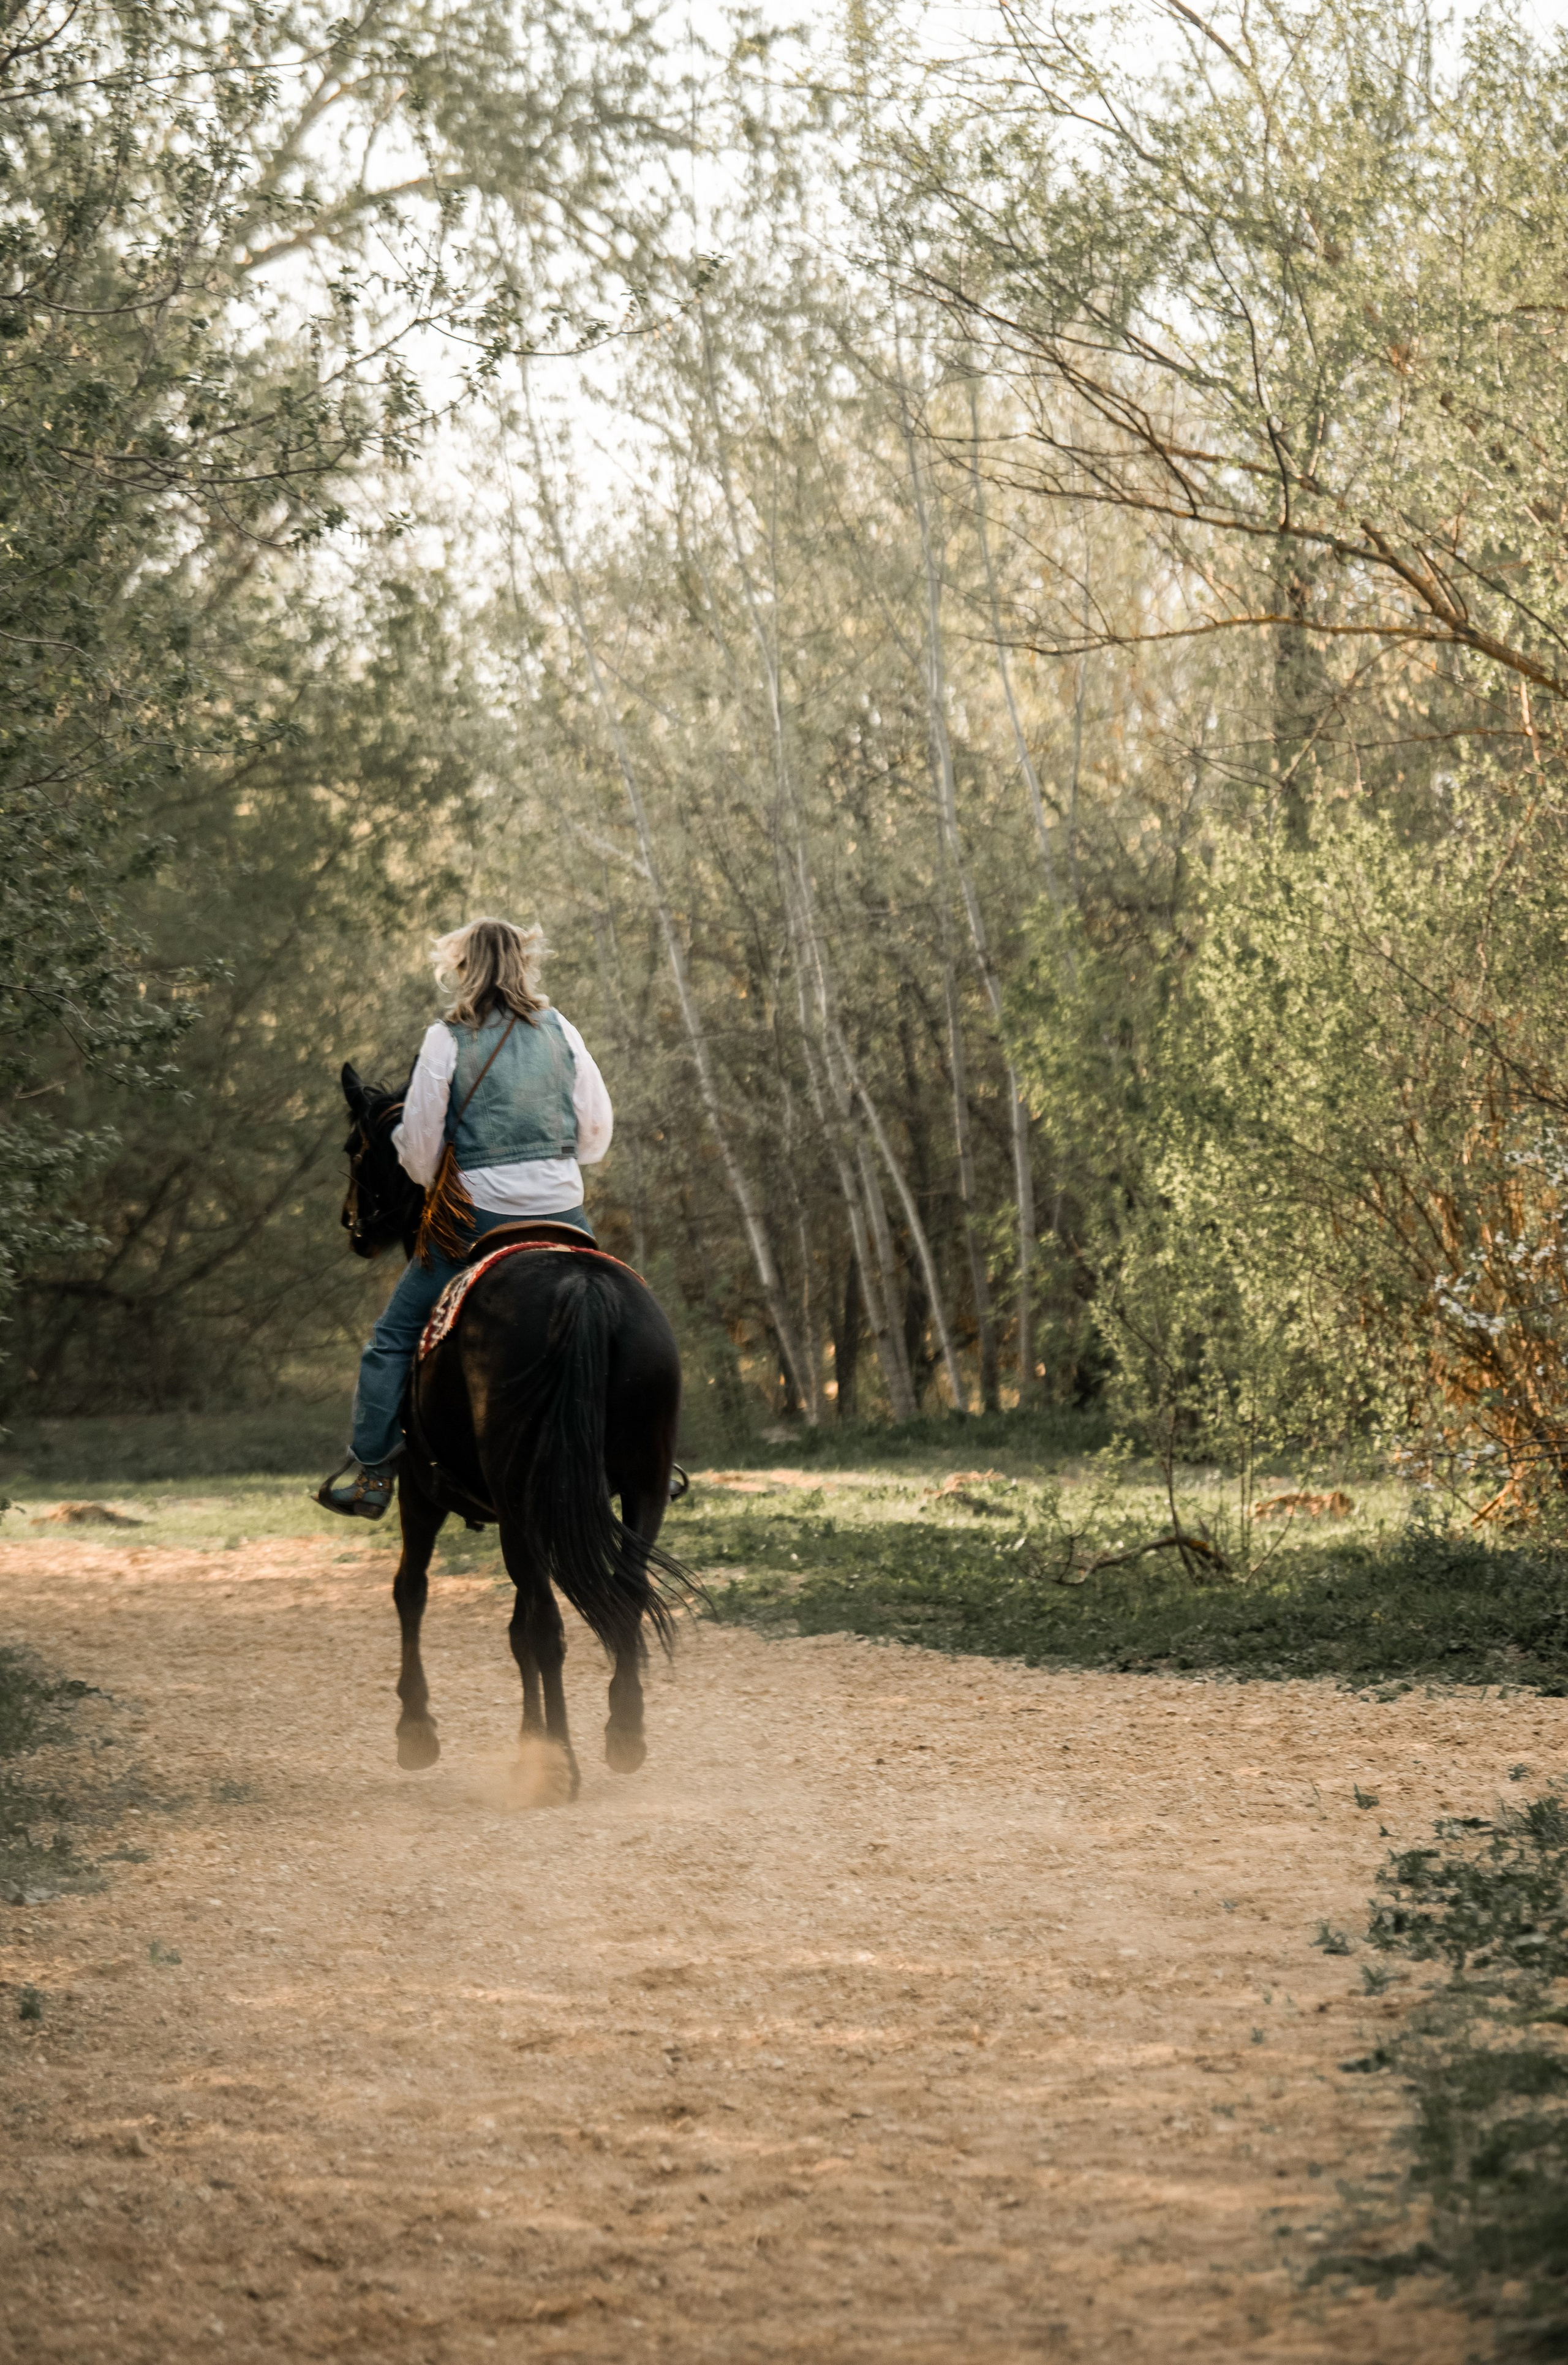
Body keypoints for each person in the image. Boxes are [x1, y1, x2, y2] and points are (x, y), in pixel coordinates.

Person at [317, 916, 612, 1519]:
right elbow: (595, 1137)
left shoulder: (447, 1039)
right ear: (523, 964)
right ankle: (645, 1460)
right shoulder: (564, 1032)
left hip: (479, 1222)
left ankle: (373, 1475)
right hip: (564, 1215)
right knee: (614, 1317)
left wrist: (447, 1179)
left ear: (463, 969)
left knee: (392, 1340)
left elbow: (419, 1148)